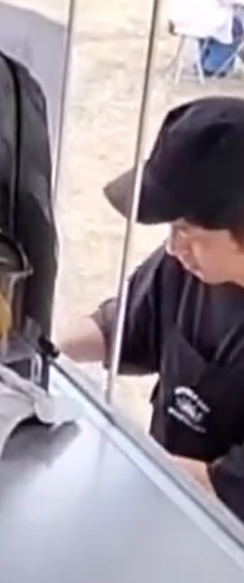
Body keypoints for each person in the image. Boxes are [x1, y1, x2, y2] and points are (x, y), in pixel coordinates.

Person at [59, 97, 244, 522]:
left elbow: (226, 489)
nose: (173, 247)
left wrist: (107, 469)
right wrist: (32, 349)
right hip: (164, 501)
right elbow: (120, 328)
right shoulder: (190, 266)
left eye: (186, 231)